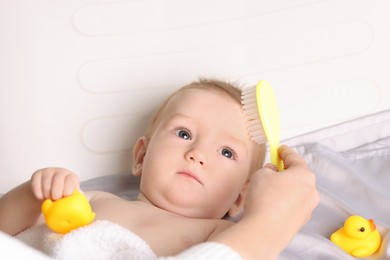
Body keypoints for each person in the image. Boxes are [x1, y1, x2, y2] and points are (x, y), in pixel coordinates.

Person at [0, 78, 319, 259]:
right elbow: (6, 231)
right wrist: (33, 195)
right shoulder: (96, 200)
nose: (197, 154)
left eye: (226, 152)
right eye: (184, 134)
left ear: (241, 197)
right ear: (141, 156)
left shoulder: (220, 234)